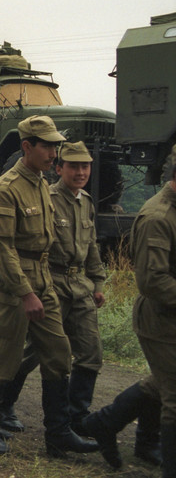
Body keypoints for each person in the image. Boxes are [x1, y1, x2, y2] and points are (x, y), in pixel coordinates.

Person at [0, 115, 98, 457]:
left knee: (57, 355)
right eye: (48, 146)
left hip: (44, 279)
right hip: (13, 286)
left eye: (56, 145)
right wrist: (25, 293)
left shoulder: (41, 183)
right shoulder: (7, 188)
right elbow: (2, 247)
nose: (54, 152)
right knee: (4, 357)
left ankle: (58, 434)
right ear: (27, 147)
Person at [0, 141, 107, 435]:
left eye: (85, 166)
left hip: (79, 285)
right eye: (74, 166)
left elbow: (92, 246)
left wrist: (97, 282)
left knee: (91, 353)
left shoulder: (87, 202)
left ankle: (76, 417)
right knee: (34, 353)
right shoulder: (47, 197)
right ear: (60, 168)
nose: (80, 172)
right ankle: (3, 405)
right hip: (50, 282)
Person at [127, 143, 176, 476]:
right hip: (159, 318)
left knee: (159, 383)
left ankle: (103, 424)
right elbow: (153, 281)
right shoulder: (157, 217)